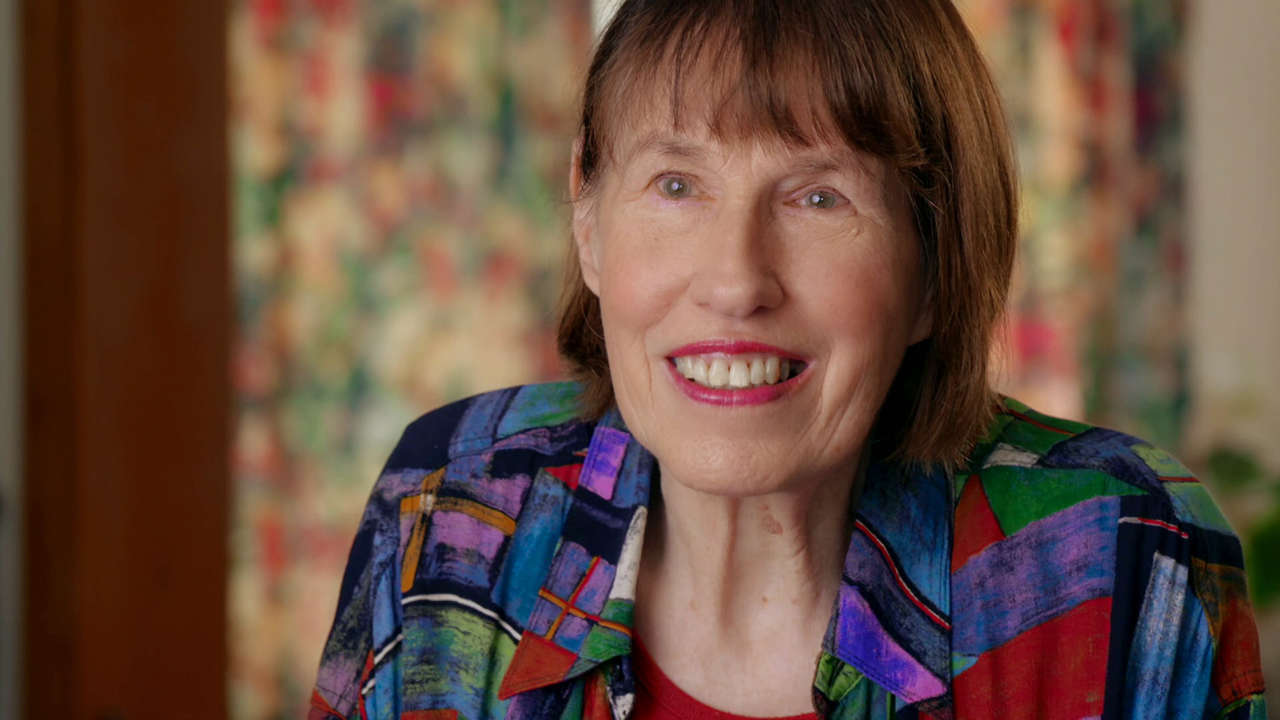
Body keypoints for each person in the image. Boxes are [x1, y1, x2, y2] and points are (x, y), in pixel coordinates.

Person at [309, 1, 1267, 718]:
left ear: (935, 263)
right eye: (676, 184)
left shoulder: (1122, 559)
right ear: (588, 220)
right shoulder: (452, 510)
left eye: (818, 197)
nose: (736, 282)